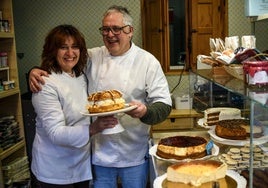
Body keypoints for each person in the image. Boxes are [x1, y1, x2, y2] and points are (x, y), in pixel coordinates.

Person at [29, 6, 172, 188]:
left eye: (116, 29)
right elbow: (63, 61)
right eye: (105, 29)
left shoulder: (147, 61)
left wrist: (145, 112)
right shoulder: (92, 56)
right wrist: (34, 71)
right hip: (98, 154)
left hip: (133, 152)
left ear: (130, 31)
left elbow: (164, 104)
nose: (110, 34)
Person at [30, 24, 118, 188]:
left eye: (75, 47)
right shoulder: (45, 83)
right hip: (54, 170)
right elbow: (55, 133)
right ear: (52, 50)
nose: (70, 53)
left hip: (80, 164)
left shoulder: (80, 75)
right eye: (63, 48)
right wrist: (94, 128)